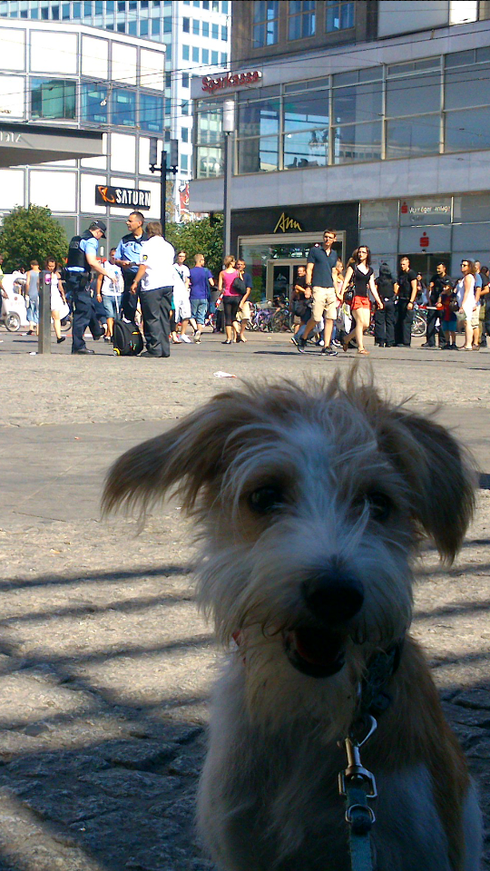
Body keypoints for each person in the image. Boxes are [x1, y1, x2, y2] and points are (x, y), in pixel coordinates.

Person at [65, 220, 112, 355]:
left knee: (87, 304)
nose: (99, 238)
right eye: (100, 235)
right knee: (82, 311)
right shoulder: (91, 241)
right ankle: (78, 346)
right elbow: (92, 262)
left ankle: (96, 330)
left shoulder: (76, 239)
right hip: (80, 278)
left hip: (71, 277)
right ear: (98, 232)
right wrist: (107, 274)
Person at [131, 221, 174, 358]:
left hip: (152, 285)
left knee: (151, 318)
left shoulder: (147, 246)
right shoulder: (169, 246)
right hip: (167, 284)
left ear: (149, 232)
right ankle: (164, 348)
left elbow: (144, 266)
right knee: (163, 316)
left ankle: (154, 348)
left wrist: (135, 281)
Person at [296, 229, 339, 356]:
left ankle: (326, 346)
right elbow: (309, 269)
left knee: (330, 318)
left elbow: (334, 272)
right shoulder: (315, 251)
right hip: (318, 287)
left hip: (330, 288)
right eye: (326, 237)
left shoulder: (334, 254)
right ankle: (303, 337)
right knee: (316, 317)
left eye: (330, 237)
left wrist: (337, 291)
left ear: (334, 240)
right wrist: (308, 286)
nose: (327, 239)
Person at [341, 246, 383, 356]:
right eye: (359, 252)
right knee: (359, 322)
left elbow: (372, 287)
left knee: (366, 324)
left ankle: (347, 338)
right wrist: (341, 294)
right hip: (355, 297)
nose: (361, 254)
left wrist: (378, 301)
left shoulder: (370, 270)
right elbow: (346, 281)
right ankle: (360, 347)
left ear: (367, 254)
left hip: (365, 298)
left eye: (363, 252)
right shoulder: (353, 267)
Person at [114, 211, 148, 321]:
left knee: (147, 307)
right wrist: (121, 263)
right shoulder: (125, 240)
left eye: (130, 221)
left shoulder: (148, 239)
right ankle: (130, 332)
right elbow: (116, 259)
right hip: (129, 276)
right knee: (129, 305)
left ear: (139, 223)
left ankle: (148, 334)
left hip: (146, 277)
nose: (127, 223)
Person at [96, 248, 124, 342]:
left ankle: (109, 333)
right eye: (112, 255)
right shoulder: (105, 265)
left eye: (115, 256)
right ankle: (112, 335)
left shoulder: (120, 266)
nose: (114, 258)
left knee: (117, 315)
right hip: (107, 293)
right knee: (109, 314)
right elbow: (99, 279)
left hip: (118, 293)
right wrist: (98, 293)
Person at [423, 262, 451, 349]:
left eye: (440, 268)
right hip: (433, 303)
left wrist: (442, 302)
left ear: (444, 268)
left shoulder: (447, 279)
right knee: (430, 322)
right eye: (437, 268)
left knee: (442, 323)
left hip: (443, 304)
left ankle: (442, 341)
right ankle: (430, 341)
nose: (438, 270)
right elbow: (429, 289)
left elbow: (448, 291)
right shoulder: (434, 278)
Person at [189, 253, 214, 344]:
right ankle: (198, 334)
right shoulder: (206, 271)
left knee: (191, 315)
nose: (204, 261)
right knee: (201, 317)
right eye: (203, 259)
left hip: (193, 295)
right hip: (204, 296)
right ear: (200, 261)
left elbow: (187, 283)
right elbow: (211, 283)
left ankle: (196, 330)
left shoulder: (190, 271)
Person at [394, 256, 418, 347]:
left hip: (408, 299)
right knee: (399, 320)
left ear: (408, 264)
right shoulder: (401, 274)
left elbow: (414, 288)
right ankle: (398, 340)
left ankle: (406, 342)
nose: (402, 266)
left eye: (404, 264)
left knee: (406, 321)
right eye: (401, 264)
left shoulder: (411, 274)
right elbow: (398, 286)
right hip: (401, 299)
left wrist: (411, 301)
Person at [218, 255, 240, 345]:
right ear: (231, 262)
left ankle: (228, 339)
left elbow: (220, 287)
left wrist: (224, 288)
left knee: (228, 318)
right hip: (236, 296)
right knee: (234, 316)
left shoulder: (222, 273)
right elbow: (240, 283)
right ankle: (238, 331)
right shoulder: (237, 272)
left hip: (227, 296)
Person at [456, 258, 477, 351]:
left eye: (464, 265)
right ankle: (466, 342)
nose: (462, 267)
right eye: (461, 265)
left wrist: (462, 304)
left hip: (467, 302)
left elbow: (467, 291)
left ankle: (468, 344)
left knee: (467, 322)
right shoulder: (465, 278)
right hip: (464, 302)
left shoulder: (468, 277)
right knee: (464, 322)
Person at [45, 256, 67, 345]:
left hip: (56, 296)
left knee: (56, 317)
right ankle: (56, 336)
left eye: (52, 266)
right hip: (47, 296)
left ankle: (59, 336)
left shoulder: (57, 275)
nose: (51, 268)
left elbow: (60, 286)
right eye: (49, 266)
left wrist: (63, 295)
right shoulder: (45, 274)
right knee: (50, 317)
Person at [374, 262, 396, 347]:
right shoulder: (392, 280)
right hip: (390, 301)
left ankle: (380, 340)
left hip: (381, 301)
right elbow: (396, 289)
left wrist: (377, 300)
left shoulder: (378, 280)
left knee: (380, 322)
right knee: (390, 322)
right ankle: (390, 341)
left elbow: (375, 290)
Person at [234, 258, 252, 343]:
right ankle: (235, 335)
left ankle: (241, 333)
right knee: (235, 318)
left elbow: (248, 290)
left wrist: (242, 301)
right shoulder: (233, 275)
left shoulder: (247, 276)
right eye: (238, 264)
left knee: (245, 317)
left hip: (244, 300)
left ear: (244, 266)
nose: (240, 266)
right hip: (234, 298)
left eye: (241, 264)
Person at [437, 280, 458, 350]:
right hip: (445, 314)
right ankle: (447, 342)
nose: (444, 288)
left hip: (452, 314)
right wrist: (440, 297)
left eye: (446, 287)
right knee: (445, 330)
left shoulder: (454, 295)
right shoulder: (443, 296)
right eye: (444, 287)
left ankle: (454, 343)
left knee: (452, 330)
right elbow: (439, 303)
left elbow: (456, 304)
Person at [23, 260, 40, 336]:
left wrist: (26, 293)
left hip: (31, 293)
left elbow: (27, 284)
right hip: (39, 294)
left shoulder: (29, 273)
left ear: (32, 265)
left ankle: (31, 327)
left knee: (30, 309)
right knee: (38, 310)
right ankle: (38, 329)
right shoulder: (41, 273)